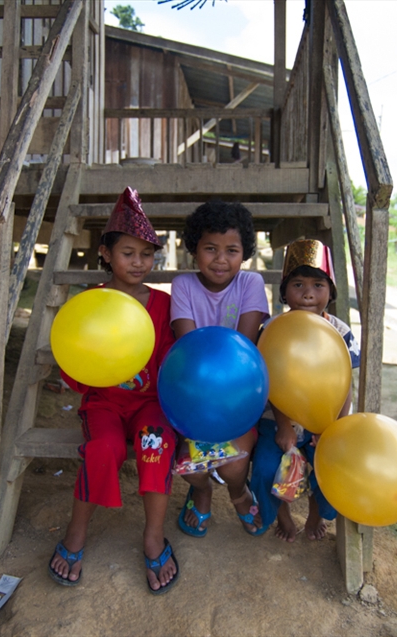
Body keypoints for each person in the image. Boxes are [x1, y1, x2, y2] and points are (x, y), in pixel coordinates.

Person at [49, 187, 180, 594]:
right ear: (106, 254)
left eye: (146, 254)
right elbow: (76, 361)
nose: (139, 262)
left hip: (149, 404)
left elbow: (169, 363)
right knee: (103, 448)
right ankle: (76, 533)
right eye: (128, 253)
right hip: (104, 402)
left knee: (155, 443)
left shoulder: (162, 305)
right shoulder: (91, 302)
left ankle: (153, 536)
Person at [249, 239, 361, 541]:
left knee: (331, 469)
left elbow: (344, 383)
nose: (308, 293)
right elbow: (274, 382)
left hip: (324, 421)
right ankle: (280, 515)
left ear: (331, 291)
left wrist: (331, 427)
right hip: (277, 420)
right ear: (284, 292)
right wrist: (284, 427)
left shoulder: (342, 333)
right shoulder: (272, 329)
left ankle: (315, 512)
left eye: (317, 285)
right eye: (297, 284)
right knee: (264, 468)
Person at [170, 199, 270, 537]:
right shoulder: (183, 285)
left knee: (236, 465)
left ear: (245, 253)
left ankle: (239, 494)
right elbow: (188, 349)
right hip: (194, 398)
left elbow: (242, 352)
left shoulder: (250, 284)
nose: (221, 259)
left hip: (239, 397)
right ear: (194, 249)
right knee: (188, 466)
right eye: (210, 248)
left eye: (231, 250)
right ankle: (201, 491)